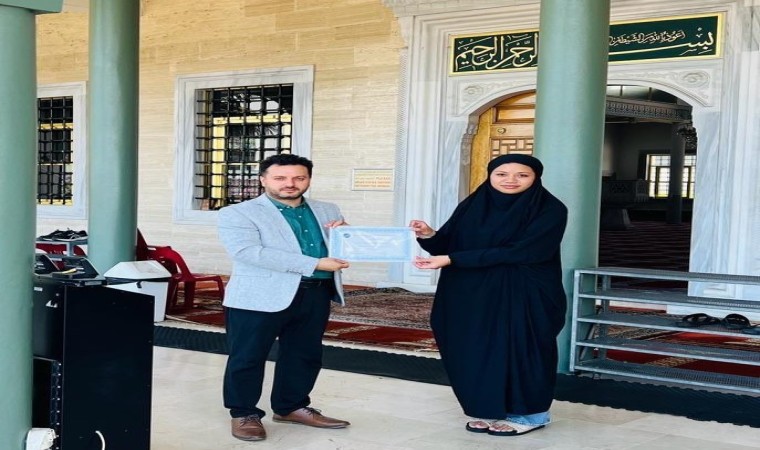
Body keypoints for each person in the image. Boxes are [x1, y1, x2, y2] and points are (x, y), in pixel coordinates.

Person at [409, 153, 568, 437]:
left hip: (523, 292)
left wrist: (453, 259)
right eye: (502, 174)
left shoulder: (549, 208)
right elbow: (448, 244)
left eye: (522, 175)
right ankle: (487, 407)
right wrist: (429, 234)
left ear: (535, 178)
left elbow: (524, 251)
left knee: (521, 346)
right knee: (476, 345)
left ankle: (530, 414)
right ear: (490, 175)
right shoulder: (474, 204)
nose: (511, 180)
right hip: (471, 291)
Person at [218, 153, 351, 442]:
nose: (290, 183)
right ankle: (243, 413)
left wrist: (348, 237)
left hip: (316, 292)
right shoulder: (238, 212)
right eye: (280, 178)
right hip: (258, 295)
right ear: (263, 180)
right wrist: (314, 263)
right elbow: (248, 252)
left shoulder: (328, 209)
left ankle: (292, 406)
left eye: (299, 177)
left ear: (308, 179)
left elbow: (341, 247)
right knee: (248, 356)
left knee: (305, 353)